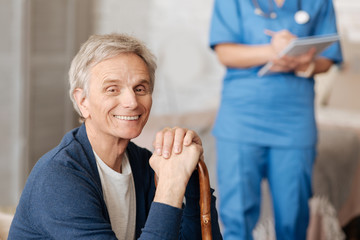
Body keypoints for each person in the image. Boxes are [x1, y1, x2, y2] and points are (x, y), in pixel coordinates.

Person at [8, 33, 223, 240]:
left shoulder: (141, 164)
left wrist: (192, 175)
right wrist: (170, 185)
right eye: (112, 89)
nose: (131, 101)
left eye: (140, 88)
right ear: (83, 101)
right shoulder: (58, 178)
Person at [209, 0, 343, 239]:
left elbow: (329, 57)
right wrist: (273, 51)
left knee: (293, 219)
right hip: (241, 118)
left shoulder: (319, 2)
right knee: (236, 219)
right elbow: (225, 52)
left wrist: (306, 63)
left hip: (294, 119)